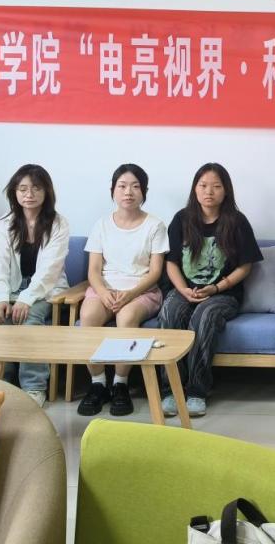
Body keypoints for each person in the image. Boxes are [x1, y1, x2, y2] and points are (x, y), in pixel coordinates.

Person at [159, 163, 262, 418]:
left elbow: (245, 266)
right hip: (184, 290)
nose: (209, 191)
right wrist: (183, 290)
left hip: (223, 294)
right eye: (203, 185)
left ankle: (197, 391)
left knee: (203, 316)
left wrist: (217, 287)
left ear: (226, 191)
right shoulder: (181, 219)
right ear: (195, 189)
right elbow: (171, 262)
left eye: (216, 186)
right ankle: (170, 389)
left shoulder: (236, 221)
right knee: (170, 312)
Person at [78, 164, 167, 417]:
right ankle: (98, 384)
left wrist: (130, 294)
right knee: (88, 316)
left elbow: (155, 272)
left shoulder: (155, 225)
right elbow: (94, 270)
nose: (128, 192)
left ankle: (120, 384)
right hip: (104, 289)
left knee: (126, 318)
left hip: (142, 291)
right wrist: (103, 292)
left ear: (144, 192)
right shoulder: (101, 225)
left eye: (135, 186)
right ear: (113, 191)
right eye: (122, 186)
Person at [0, 164, 69, 408]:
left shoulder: (58, 223)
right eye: (22, 189)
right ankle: (1, 384)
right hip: (10, 288)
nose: (29, 194)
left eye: (36, 188)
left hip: (45, 290)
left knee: (29, 319)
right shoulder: (4, 224)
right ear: (14, 192)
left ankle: (34, 387)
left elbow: (50, 270)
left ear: (46, 191)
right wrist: (0, 298)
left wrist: (26, 299)